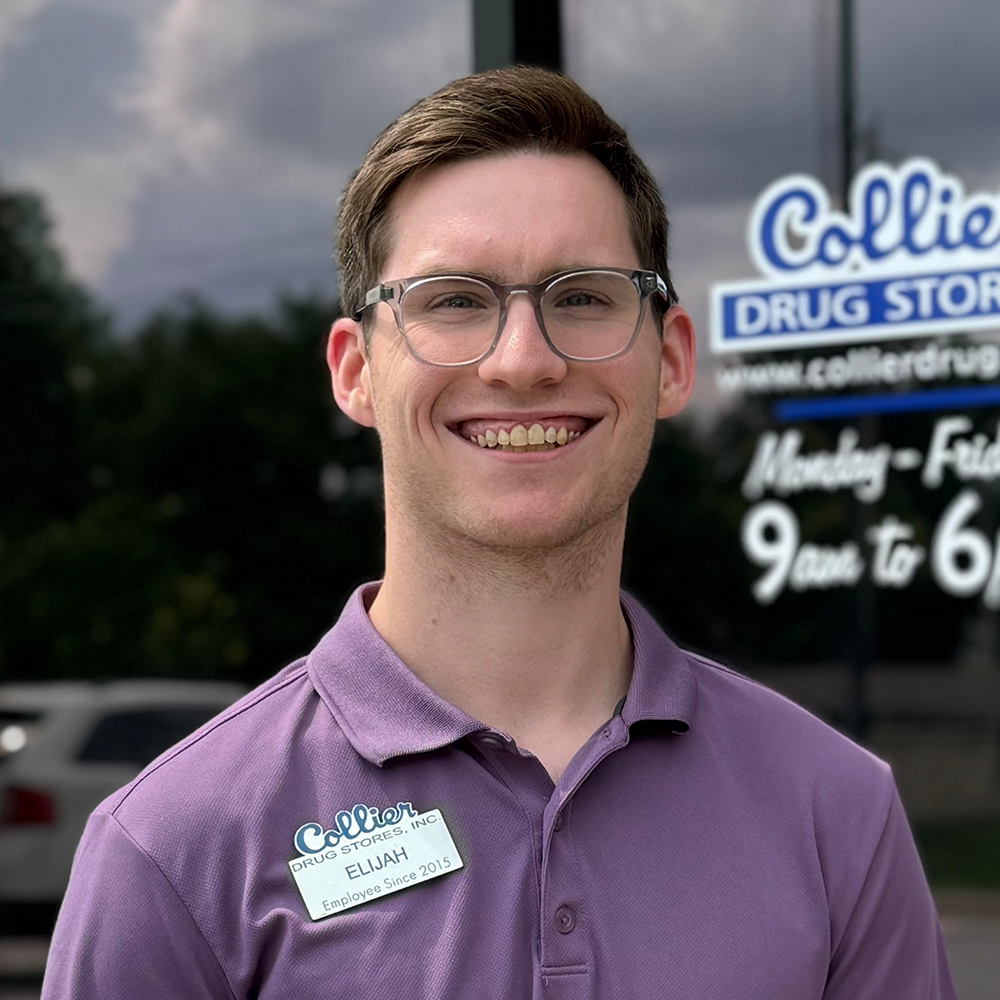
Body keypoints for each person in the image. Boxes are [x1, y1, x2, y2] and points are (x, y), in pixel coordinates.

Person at [43, 67, 955, 1000]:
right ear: (355, 372)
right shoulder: (173, 849)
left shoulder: (835, 809)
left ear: (672, 362)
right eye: (453, 300)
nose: (523, 361)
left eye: (584, 297)